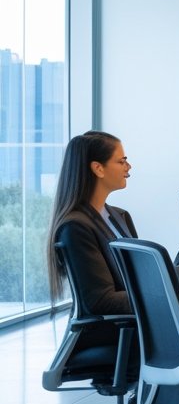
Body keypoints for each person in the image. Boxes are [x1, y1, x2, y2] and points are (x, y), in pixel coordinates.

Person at [46, 131, 137, 323]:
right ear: (98, 168)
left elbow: (138, 272)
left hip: (138, 325)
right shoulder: (75, 227)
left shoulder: (120, 216)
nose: (128, 167)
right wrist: (162, 292)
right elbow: (101, 301)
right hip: (113, 332)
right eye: (121, 161)